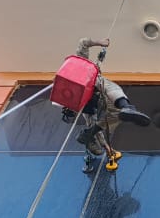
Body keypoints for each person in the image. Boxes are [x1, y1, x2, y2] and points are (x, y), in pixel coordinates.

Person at [59, 37, 151, 173]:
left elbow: (83, 42)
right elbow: (83, 42)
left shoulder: (77, 69)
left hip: (96, 93)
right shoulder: (72, 83)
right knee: (111, 95)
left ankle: (125, 110)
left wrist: (100, 43)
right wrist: (108, 150)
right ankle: (125, 108)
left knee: (111, 110)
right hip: (94, 98)